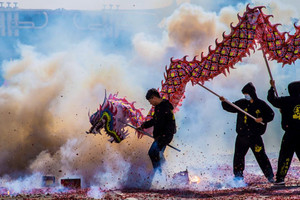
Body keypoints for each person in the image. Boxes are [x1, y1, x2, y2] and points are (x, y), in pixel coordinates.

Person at [219, 82, 275, 183]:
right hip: (242, 136)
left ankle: (270, 177)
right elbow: (231, 107)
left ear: (252, 93)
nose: (246, 96)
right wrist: (224, 102)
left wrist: (262, 118)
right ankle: (238, 177)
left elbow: (271, 115)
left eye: (247, 94)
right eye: (244, 94)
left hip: (255, 136)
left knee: (261, 156)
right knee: (238, 157)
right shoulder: (241, 103)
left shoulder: (261, 104)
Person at [267, 80, 300, 185]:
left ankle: (280, 178)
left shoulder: (286, 101)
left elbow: (272, 99)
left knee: (285, 156)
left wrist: (272, 87)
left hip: (290, 133)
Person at [138, 88, 176, 173]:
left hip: (165, 135)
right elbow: (155, 121)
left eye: (150, 101)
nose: (150, 103)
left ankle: (159, 174)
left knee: (153, 152)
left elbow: (170, 123)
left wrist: (163, 136)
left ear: (154, 97)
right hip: (161, 136)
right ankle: (166, 173)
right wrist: (143, 126)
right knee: (159, 154)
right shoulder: (158, 107)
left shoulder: (164, 107)